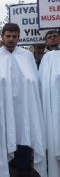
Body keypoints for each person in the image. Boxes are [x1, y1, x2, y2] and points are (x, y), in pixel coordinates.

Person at [0, 23, 46, 177]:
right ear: (2, 36)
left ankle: (24, 170)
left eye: (14, 36)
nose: (11, 39)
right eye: (8, 36)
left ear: (19, 37)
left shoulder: (27, 56)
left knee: (24, 138)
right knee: (3, 138)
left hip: (24, 110)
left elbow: (33, 83)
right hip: (2, 110)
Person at [39, 33, 60, 177]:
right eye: (49, 36)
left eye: (55, 35)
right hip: (48, 105)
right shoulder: (43, 59)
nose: (52, 38)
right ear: (45, 41)